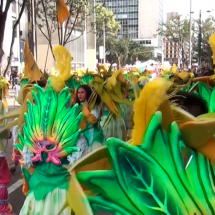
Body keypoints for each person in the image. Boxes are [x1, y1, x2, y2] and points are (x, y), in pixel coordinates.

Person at [67, 85, 104, 164]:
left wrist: (86, 110)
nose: (79, 95)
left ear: (87, 93)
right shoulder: (76, 106)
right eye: (78, 93)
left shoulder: (94, 105)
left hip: (93, 138)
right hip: (79, 137)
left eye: (82, 92)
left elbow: (92, 120)